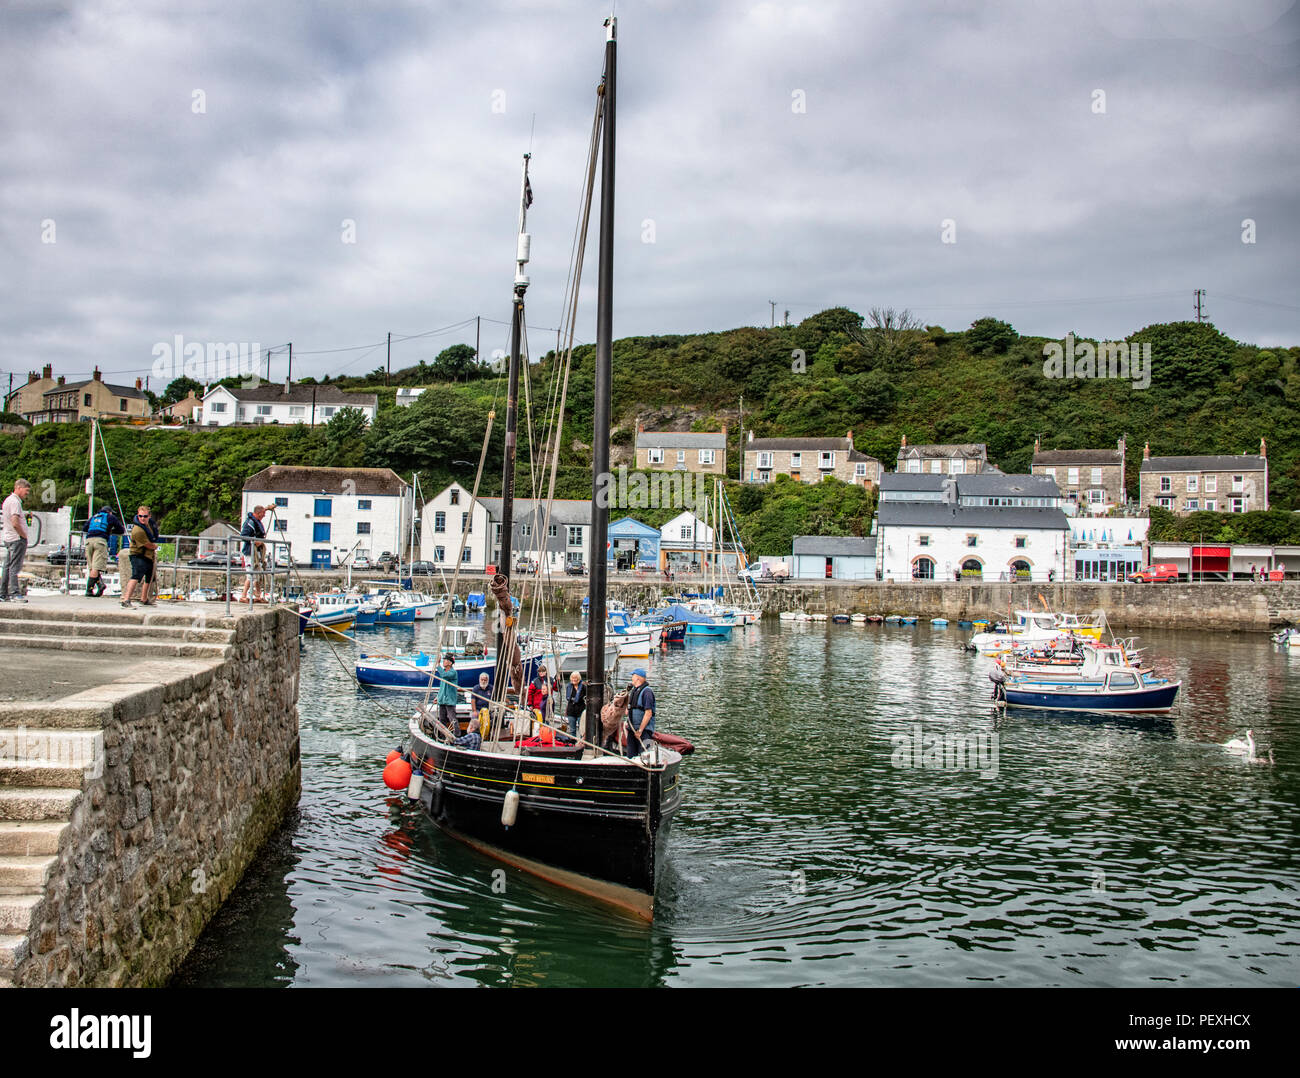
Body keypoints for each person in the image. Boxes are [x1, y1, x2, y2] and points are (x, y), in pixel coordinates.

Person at [1, 478, 32, 603]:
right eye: (26, 490)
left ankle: (3, 594)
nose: (27, 493)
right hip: (16, 539)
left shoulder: (8, 500)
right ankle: (14, 593)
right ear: (19, 488)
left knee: (7, 566)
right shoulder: (15, 502)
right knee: (14, 567)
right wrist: (23, 535)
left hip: (9, 538)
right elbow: (14, 522)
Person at [121, 505, 158, 608]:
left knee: (150, 577)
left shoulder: (149, 525)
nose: (142, 518)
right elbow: (147, 544)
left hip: (148, 556)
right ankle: (126, 599)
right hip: (138, 555)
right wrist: (155, 546)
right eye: (140, 516)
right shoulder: (138, 530)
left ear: (149, 516)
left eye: (145, 516)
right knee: (136, 576)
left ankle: (144, 598)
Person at [84, 505, 125, 598]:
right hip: (100, 541)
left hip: (88, 541)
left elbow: (84, 528)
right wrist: (110, 530)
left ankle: (100, 585)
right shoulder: (110, 517)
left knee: (92, 567)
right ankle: (89, 590)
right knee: (96, 567)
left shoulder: (93, 518)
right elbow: (121, 530)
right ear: (109, 512)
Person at [237, 505, 269, 603]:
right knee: (250, 575)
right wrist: (255, 542)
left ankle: (258, 595)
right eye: (263, 514)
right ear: (258, 513)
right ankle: (243, 596)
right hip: (250, 552)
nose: (264, 516)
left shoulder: (256, 521)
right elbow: (244, 536)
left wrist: (268, 508)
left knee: (257, 574)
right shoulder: (249, 523)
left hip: (257, 552)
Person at [625, 668, 657, 756]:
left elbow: (648, 713)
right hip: (632, 729)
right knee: (631, 755)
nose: (631, 678)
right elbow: (628, 711)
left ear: (638, 678)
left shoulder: (647, 692)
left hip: (644, 731)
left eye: (633, 676)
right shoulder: (634, 691)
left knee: (645, 755)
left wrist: (640, 730)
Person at [434, 654, 460, 734]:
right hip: (442, 700)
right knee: (442, 719)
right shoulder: (444, 672)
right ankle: (442, 735)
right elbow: (442, 687)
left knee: (452, 719)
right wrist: (438, 697)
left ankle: (457, 735)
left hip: (449, 700)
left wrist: (438, 665)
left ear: (450, 663)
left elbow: (444, 675)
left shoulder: (453, 673)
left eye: (445, 660)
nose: (443, 661)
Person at [599, 690, 630, 754]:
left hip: (608, 712)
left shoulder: (609, 689)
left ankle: (606, 748)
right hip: (604, 713)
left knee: (609, 734)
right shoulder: (608, 689)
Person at [563, 670, 587, 739]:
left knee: (582, 730)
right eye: (573, 678)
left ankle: (582, 743)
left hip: (580, 711)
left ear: (579, 678)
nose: (574, 679)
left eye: (576, 678)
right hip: (571, 711)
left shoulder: (583, 687)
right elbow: (568, 698)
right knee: (572, 730)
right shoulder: (569, 687)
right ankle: (573, 744)